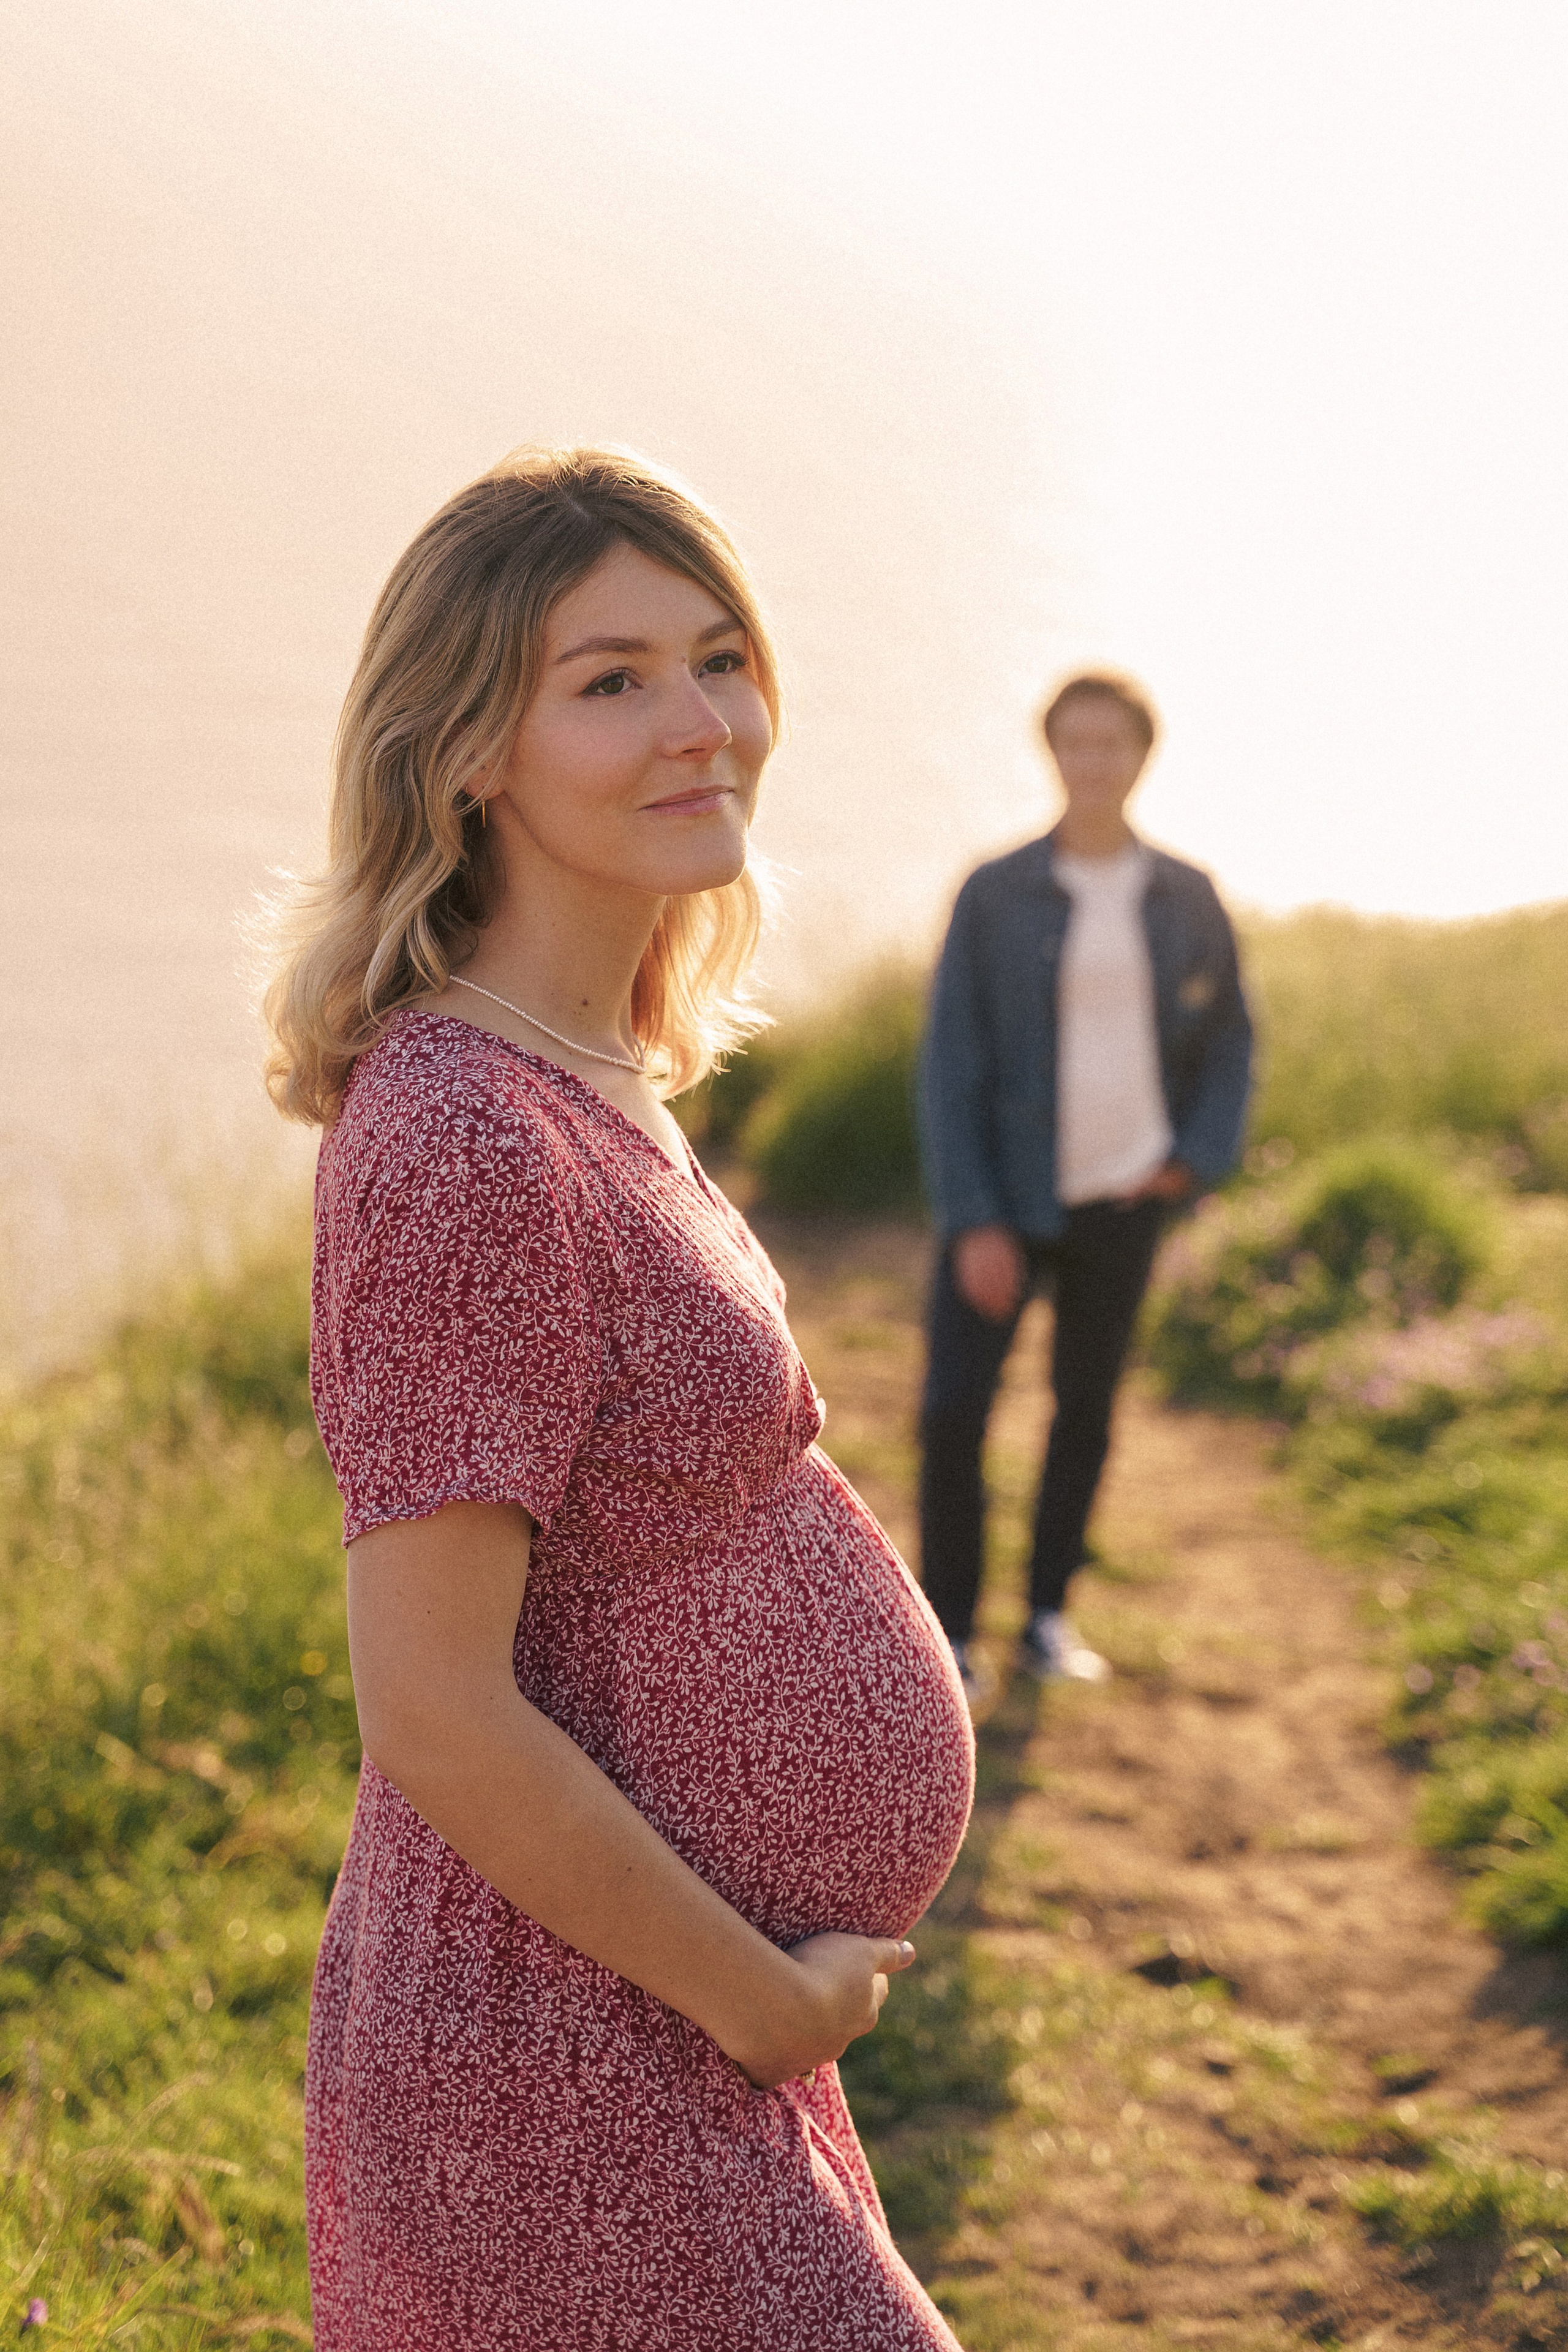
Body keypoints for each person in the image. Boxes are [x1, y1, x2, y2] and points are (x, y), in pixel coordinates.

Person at [263, 447, 974, 2351]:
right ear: (468, 747)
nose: (703, 724)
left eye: (720, 657)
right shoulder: (456, 1131)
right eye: (612, 680)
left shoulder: (583, 1075)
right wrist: (753, 1995)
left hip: (648, 2022)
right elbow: (432, 1706)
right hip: (560, 2047)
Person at [917, 671, 1252, 1697]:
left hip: (1123, 1201)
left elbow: (1231, 1040)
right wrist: (974, 1217)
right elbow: (951, 1062)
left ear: (1141, 757)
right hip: (1007, 1207)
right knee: (953, 1415)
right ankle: (951, 1638)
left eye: (1113, 743)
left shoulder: (1186, 895)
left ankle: (1048, 1620)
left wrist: (1190, 1158)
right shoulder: (996, 891)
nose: (1093, 761)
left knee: (1086, 1412)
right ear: (1050, 753)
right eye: (1075, 742)